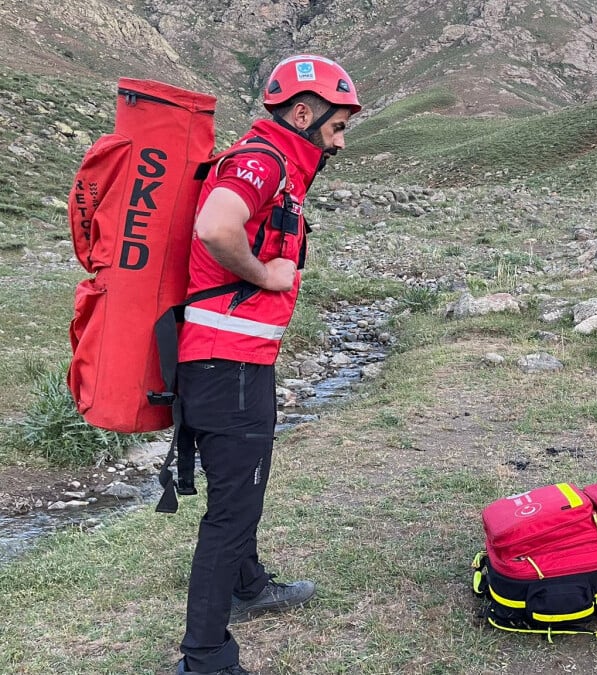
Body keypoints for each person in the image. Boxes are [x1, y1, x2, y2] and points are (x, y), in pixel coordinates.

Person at [173, 55, 360, 675]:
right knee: (233, 510)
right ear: (302, 113)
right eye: (335, 127)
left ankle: (248, 587)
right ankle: (205, 658)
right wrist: (265, 273)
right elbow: (215, 227)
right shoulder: (262, 162)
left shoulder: (279, 166)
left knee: (243, 492)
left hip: (234, 363)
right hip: (227, 367)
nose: (338, 142)